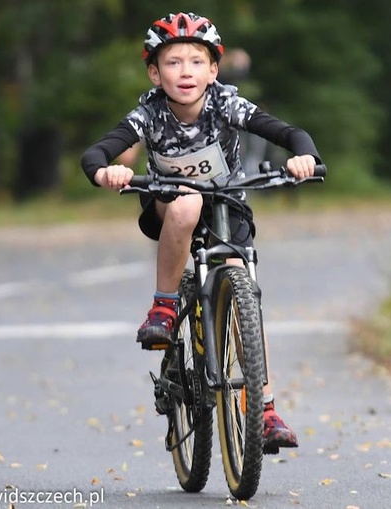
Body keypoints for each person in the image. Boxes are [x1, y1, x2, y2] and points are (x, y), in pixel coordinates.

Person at [80, 12, 322, 454]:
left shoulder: (227, 105)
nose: (185, 71)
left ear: (214, 71)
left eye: (196, 61)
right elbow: (97, 152)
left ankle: (263, 409)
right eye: (173, 63)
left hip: (226, 208)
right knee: (188, 200)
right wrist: (106, 172)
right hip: (168, 206)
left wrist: (302, 156)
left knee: (242, 281)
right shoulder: (148, 114)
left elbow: (289, 133)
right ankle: (164, 307)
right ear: (155, 72)